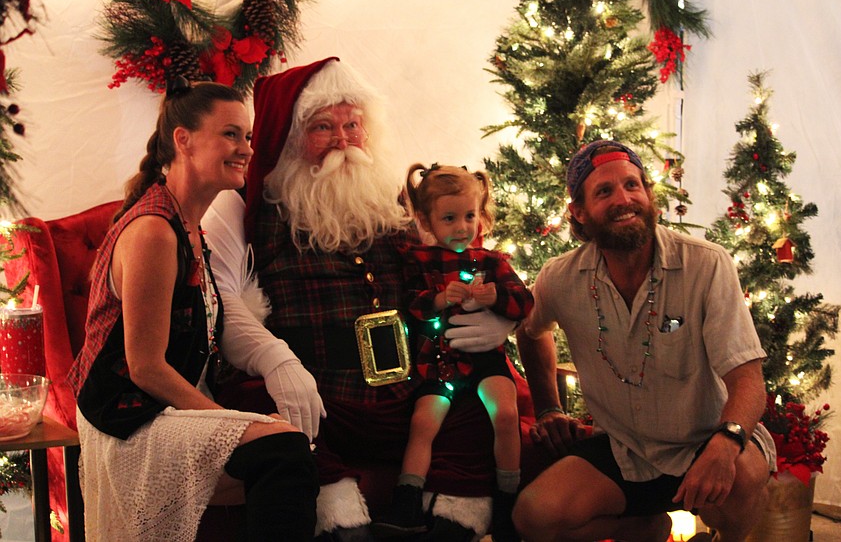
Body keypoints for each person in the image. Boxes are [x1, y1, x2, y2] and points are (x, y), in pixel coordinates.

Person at [202, 57, 522, 541]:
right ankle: (342, 520)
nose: (343, 140)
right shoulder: (250, 207)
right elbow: (222, 303)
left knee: (476, 400)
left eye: (353, 125)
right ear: (290, 138)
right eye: (323, 127)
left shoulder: (393, 204)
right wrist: (277, 364)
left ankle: (449, 524)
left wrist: (502, 316)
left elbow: (461, 262)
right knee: (264, 410)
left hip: (405, 389)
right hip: (320, 390)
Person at [67, 79, 319, 541]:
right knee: (282, 452)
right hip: (125, 421)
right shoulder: (154, 231)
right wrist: (228, 420)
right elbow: (145, 367)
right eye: (230, 134)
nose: (246, 148)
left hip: (162, 410)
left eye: (247, 136)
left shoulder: (190, 227)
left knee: (289, 447)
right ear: (183, 140)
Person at [512, 139, 777, 542]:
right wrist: (548, 407)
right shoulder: (559, 278)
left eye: (632, 185)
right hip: (624, 449)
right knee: (534, 516)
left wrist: (726, 444)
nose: (624, 199)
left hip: (706, 439)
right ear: (579, 212)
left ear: (649, 194)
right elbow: (530, 330)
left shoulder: (706, 264)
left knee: (742, 476)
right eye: (604, 191)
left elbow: (748, 380)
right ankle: (645, 527)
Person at [371, 163, 533, 541]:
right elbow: (411, 307)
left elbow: (525, 303)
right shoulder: (419, 261)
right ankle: (407, 499)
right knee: (423, 423)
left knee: (505, 412)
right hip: (439, 359)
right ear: (426, 220)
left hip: (486, 356)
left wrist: (497, 297)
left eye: (469, 216)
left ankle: (507, 498)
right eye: (449, 218)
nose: (462, 227)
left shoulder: (492, 262)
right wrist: (440, 299)